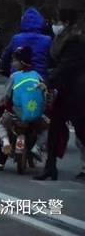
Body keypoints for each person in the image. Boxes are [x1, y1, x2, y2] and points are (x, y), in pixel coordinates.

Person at [35, 9, 85, 181]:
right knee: (55, 127)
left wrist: (49, 82)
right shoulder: (61, 38)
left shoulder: (75, 40)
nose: (55, 24)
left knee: (81, 130)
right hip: (65, 90)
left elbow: (66, 65)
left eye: (57, 21)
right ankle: (50, 167)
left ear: (65, 22)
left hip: (77, 91)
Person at [0, 46, 49, 171]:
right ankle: (37, 147)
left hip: (15, 115)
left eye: (15, 61)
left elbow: (6, 96)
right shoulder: (37, 75)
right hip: (34, 116)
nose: (13, 63)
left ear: (21, 62)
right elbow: (44, 95)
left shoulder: (14, 77)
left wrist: (2, 103)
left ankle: (5, 145)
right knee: (47, 129)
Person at [0, 8, 52, 79]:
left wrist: (6, 70)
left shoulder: (16, 39)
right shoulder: (47, 40)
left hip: (18, 77)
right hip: (39, 78)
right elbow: (52, 59)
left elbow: (6, 57)